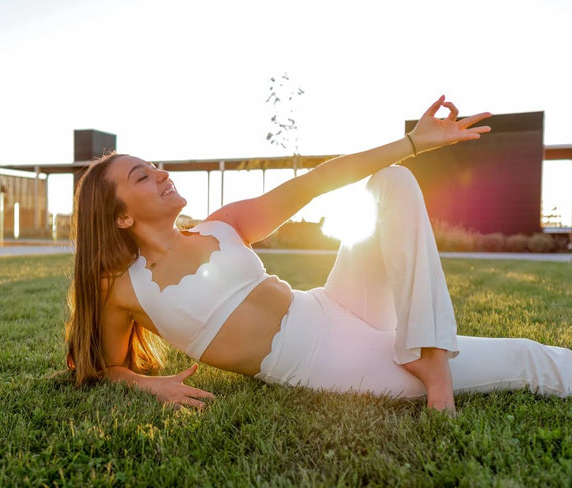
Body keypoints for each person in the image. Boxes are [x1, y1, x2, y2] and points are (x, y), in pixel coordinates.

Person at [65, 96, 572, 415]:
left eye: (153, 165)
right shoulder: (126, 289)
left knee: (391, 179)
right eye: (142, 177)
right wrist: (153, 387)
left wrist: (413, 142)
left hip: (332, 302)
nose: (160, 173)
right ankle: (430, 359)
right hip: (322, 360)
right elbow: (107, 368)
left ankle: (430, 358)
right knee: (525, 357)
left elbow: (313, 183)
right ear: (121, 218)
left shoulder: (220, 225)